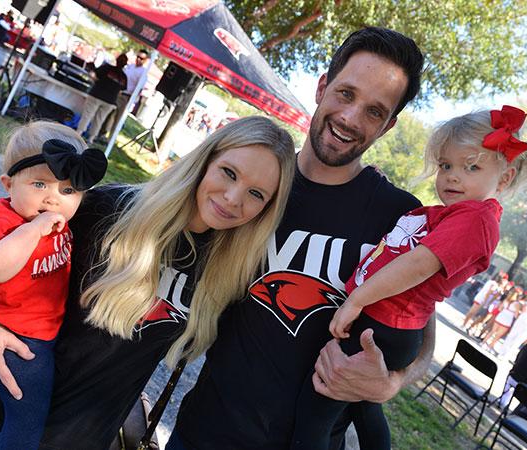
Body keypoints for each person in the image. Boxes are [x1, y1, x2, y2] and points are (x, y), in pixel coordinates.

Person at [170, 27, 434, 450]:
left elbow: (423, 334)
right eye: (346, 94)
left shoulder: (402, 217)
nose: (350, 118)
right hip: (203, 433)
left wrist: (393, 381)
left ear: (388, 126)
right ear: (321, 87)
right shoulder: (254, 184)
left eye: (374, 111)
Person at [0, 116, 296, 449]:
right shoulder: (109, 209)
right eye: (229, 172)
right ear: (205, 161)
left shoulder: (226, 273)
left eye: (256, 194)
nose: (233, 197)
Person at [290, 105, 527, 449]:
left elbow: (417, 264)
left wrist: (357, 299)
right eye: (446, 165)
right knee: (363, 406)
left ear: (503, 179)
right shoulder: (457, 214)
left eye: (471, 167)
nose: (453, 176)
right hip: (387, 323)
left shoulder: (476, 220)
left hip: (383, 323)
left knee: (317, 406)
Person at [0, 121, 107, 449]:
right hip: (19, 338)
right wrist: (31, 232)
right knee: (27, 420)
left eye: (67, 191)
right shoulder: (8, 222)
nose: (52, 199)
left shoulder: (58, 222)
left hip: (41, 330)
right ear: (8, 184)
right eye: (39, 184)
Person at [76, 54, 128, 144]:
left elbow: (94, 75)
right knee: (99, 119)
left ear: (116, 60)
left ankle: (79, 133)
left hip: (96, 95)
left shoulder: (107, 68)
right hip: (110, 101)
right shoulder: (124, 77)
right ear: (125, 64)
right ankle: (91, 138)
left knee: (87, 115)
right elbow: (121, 91)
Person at [103, 49, 149, 141]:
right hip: (117, 93)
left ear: (145, 60)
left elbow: (139, 88)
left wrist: (132, 100)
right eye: (138, 57)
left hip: (127, 97)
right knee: (110, 114)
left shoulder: (143, 72)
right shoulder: (130, 66)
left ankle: (110, 139)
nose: (139, 59)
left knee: (118, 119)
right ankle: (103, 133)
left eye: (142, 58)